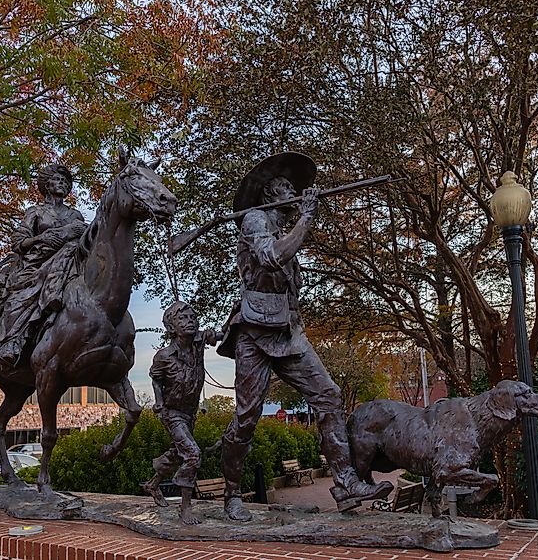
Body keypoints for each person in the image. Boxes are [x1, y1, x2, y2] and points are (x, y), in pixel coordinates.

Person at [216, 152, 392, 521]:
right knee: (246, 417)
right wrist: (309, 218)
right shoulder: (255, 220)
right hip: (255, 332)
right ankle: (232, 494)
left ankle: (345, 484)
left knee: (329, 395)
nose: (293, 191)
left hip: (288, 332)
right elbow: (270, 258)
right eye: (285, 186)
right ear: (268, 195)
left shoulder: (282, 229)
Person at [0, 164, 88, 369]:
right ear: (47, 185)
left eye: (66, 182)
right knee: (18, 300)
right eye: (58, 180)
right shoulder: (36, 212)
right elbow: (19, 242)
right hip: (35, 264)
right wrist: (42, 237)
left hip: (70, 263)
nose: (63, 184)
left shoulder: (75, 216)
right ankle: (11, 343)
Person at [141, 301, 220, 525]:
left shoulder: (199, 342)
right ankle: (186, 508)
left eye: (192, 317)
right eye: (182, 319)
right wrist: (158, 402)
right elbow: (156, 378)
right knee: (193, 454)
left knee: (178, 453)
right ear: (171, 328)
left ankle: (153, 484)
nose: (190, 321)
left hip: (190, 412)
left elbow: (221, 334)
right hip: (172, 413)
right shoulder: (164, 356)